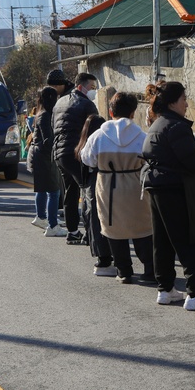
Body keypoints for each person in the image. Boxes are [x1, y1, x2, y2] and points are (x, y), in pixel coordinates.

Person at [142, 80, 195, 311]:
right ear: (174, 102)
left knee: (163, 240)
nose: (187, 104)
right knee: (188, 238)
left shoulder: (158, 123)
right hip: (176, 188)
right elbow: (194, 162)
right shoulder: (176, 126)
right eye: (184, 99)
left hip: (156, 185)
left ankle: (165, 288)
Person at [80, 91, 156, 284]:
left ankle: (124, 271)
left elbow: (87, 159)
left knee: (113, 228)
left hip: (108, 186)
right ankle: (150, 270)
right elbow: (151, 158)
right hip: (135, 186)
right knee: (142, 228)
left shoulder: (98, 136)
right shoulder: (141, 136)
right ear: (133, 113)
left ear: (111, 111)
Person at [52, 72, 98, 244]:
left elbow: (53, 127)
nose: (94, 91)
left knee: (70, 193)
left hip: (59, 154)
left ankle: (72, 232)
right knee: (87, 191)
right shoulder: (86, 105)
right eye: (92, 88)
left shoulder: (60, 102)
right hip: (77, 153)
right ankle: (89, 233)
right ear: (81, 87)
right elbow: (94, 131)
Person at [76, 113, 114, 275]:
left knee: (94, 218)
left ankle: (102, 258)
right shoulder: (104, 139)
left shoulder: (84, 145)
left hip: (90, 186)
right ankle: (106, 259)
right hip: (105, 182)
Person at [30, 86, 66, 237]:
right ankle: (52, 225)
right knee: (54, 191)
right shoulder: (46, 116)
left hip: (38, 155)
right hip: (45, 157)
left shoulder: (41, 113)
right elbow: (47, 141)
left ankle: (41, 217)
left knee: (42, 189)